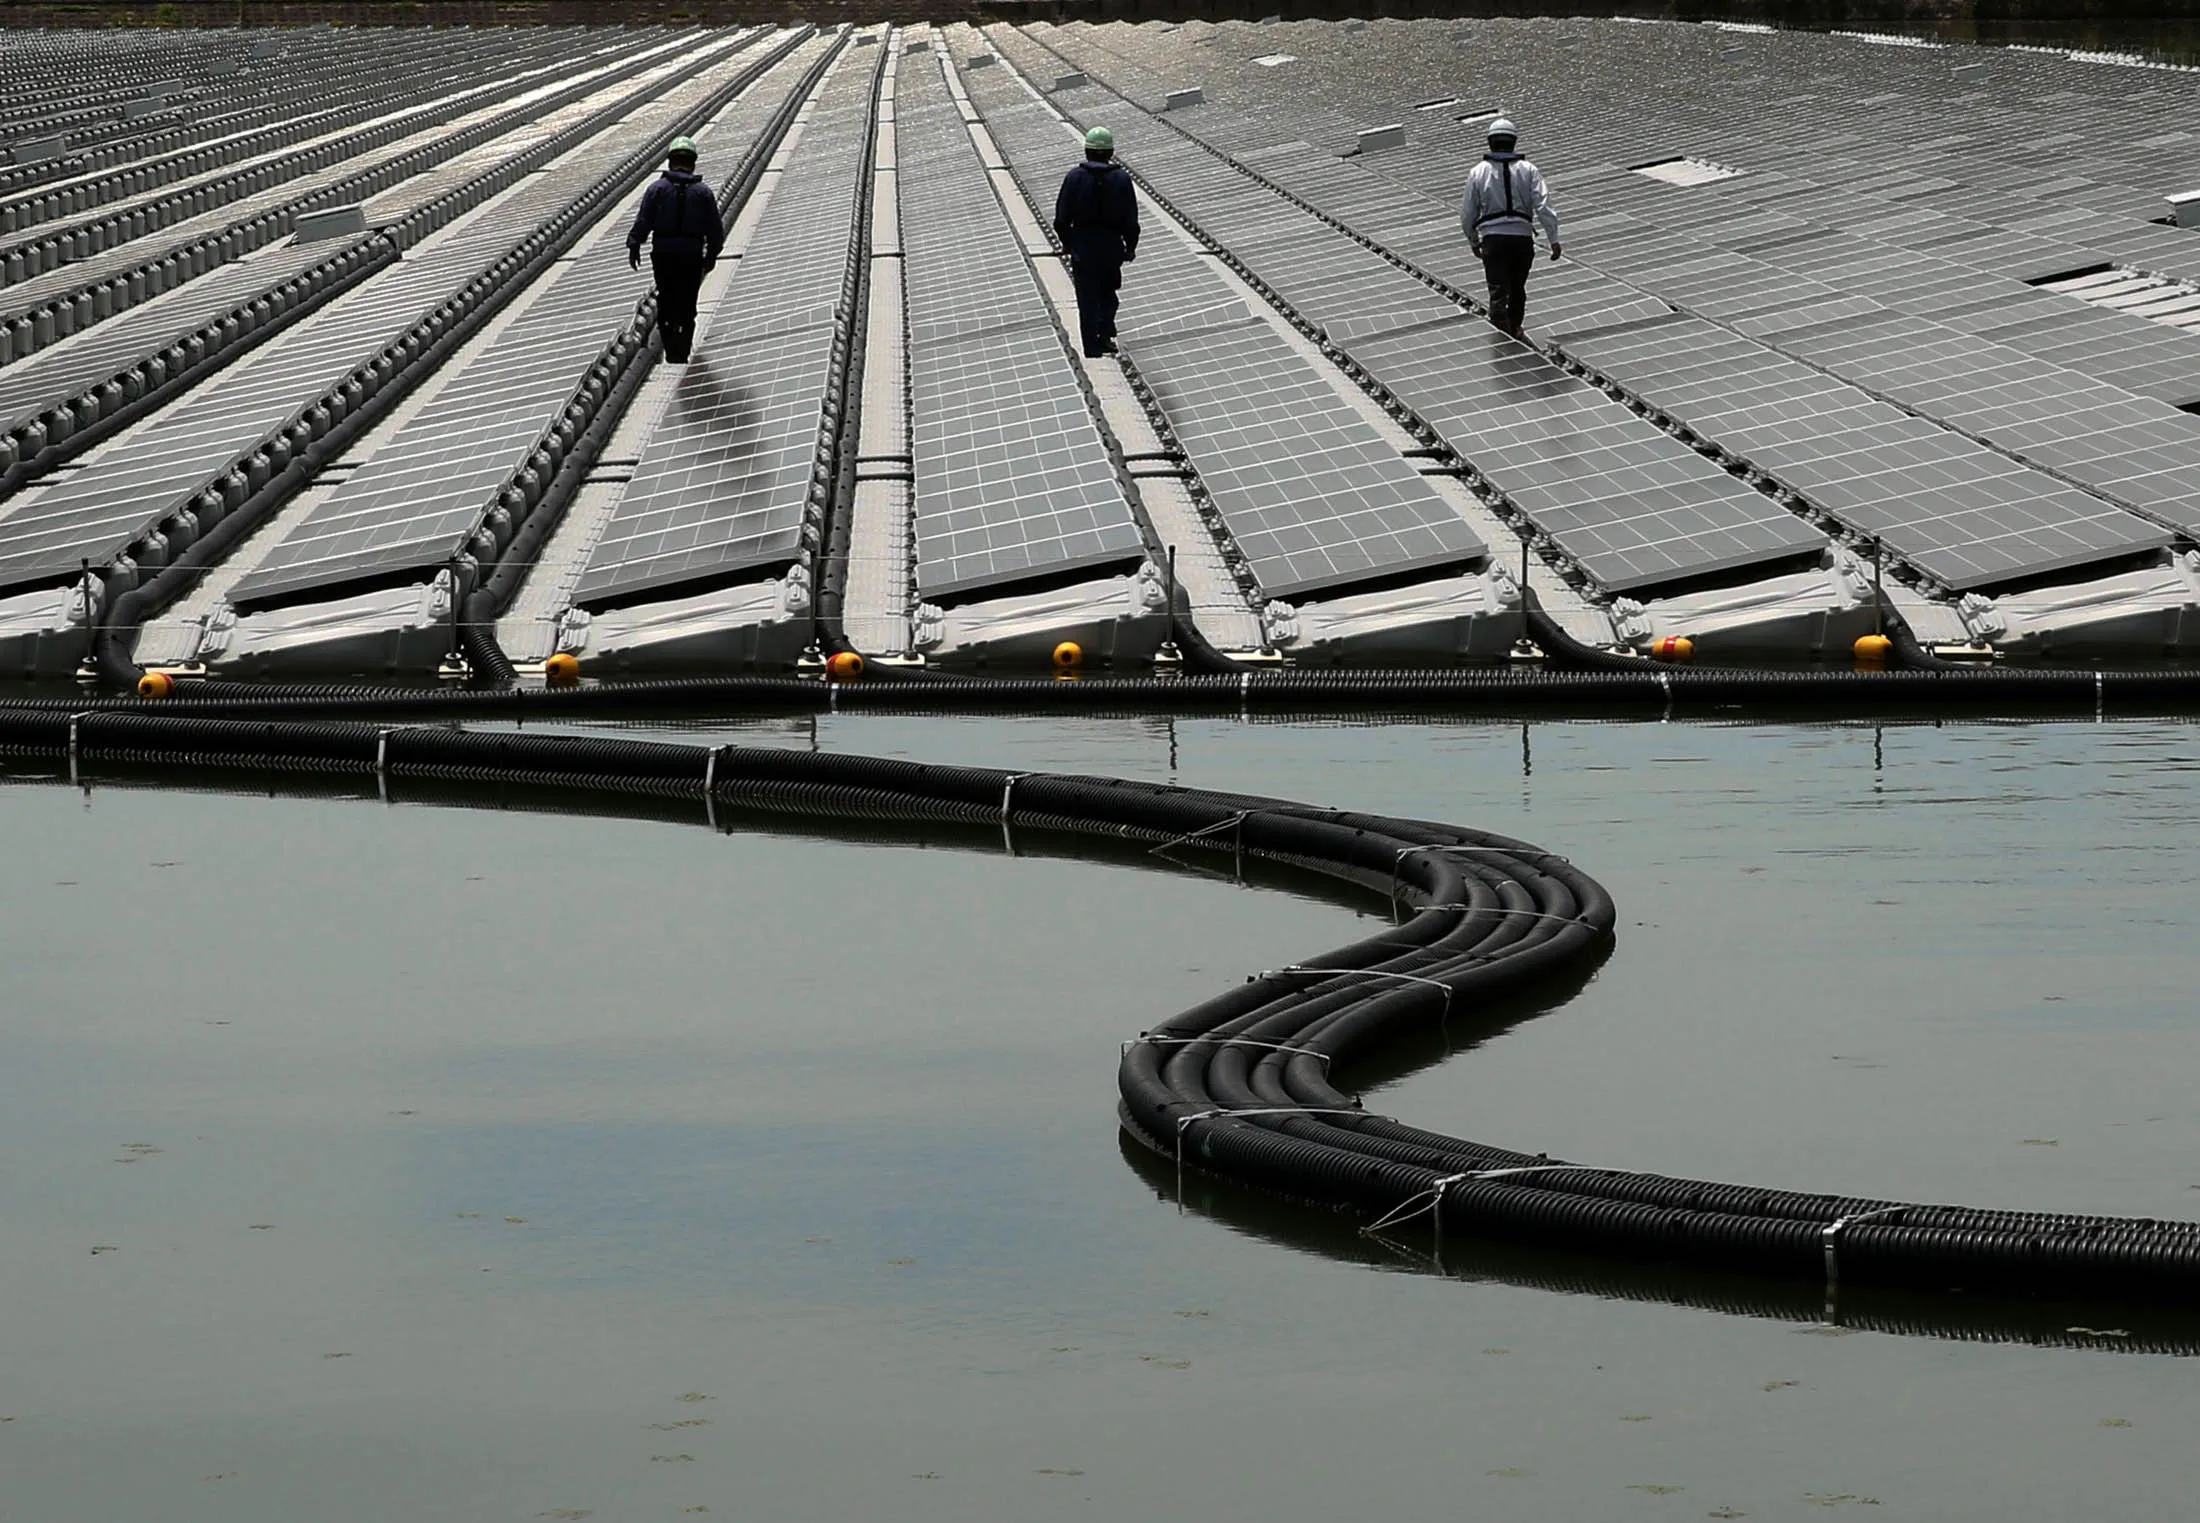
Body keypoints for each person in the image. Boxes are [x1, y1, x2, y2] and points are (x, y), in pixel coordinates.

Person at [1459, 117, 1561, 341]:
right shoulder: (1529, 170)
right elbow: (1543, 205)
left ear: (1490, 142)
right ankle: (1514, 327)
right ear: (1514, 142)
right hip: (1521, 240)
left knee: (1497, 288)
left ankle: (1502, 331)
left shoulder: (1478, 172)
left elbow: (1468, 213)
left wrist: (1473, 241)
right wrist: (1553, 238)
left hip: (1492, 240)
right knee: (1517, 288)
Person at [627, 135, 724, 364]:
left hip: (664, 255)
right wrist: (711, 255)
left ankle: (671, 349)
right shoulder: (703, 192)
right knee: (688, 303)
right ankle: (682, 351)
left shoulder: (657, 189)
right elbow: (715, 231)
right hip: (691, 255)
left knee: (667, 299)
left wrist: (634, 245)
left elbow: (644, 221)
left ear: (670, 161)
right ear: (693, 162)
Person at [1053, 125, 1141, 358]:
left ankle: (1091, 346)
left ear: (1087, 151)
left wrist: (1068, 243)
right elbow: (1130, 220)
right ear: (1110, 151)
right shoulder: (1121, 179)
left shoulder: (1074, 177)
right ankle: (1105, 336)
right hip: (1111, 247)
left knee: (1087, 297)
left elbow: (1061, 219)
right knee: (1108, 293)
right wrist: (1130, 247)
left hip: (1083, 247)